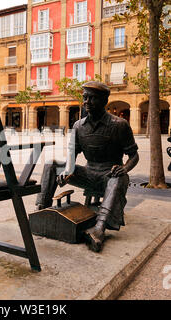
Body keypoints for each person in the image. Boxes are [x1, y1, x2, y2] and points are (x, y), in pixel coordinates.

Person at [35, 81, 139, 252]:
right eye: (85, 98)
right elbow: (72, 154)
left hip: (109, 175)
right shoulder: (78, 126)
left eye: (92, 98)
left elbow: (134, 156)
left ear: (104, 101)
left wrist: (125, 168)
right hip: (89, 174)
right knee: (52, 164)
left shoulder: (119, 125)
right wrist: (68, 170)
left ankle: (99, 228)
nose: (87, 102)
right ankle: (42, 208)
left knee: (119, 177)